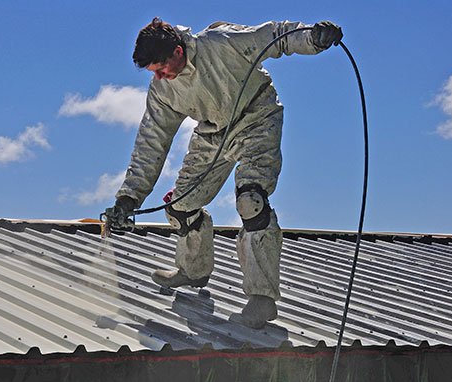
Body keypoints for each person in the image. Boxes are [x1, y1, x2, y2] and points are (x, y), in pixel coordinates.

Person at [104, 18, 342, 329]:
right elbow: (152, 141)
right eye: (154, 73)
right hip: (212, 135)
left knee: (251, 202)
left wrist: (313, 37)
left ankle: (262, 298)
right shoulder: (163, 89)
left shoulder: (220, 43)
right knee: (180, 206)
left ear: (178, 51)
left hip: (256, 119)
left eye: (161, 68)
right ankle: (193, 270)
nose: (160, 77)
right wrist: (128, 198)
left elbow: (274, 37)